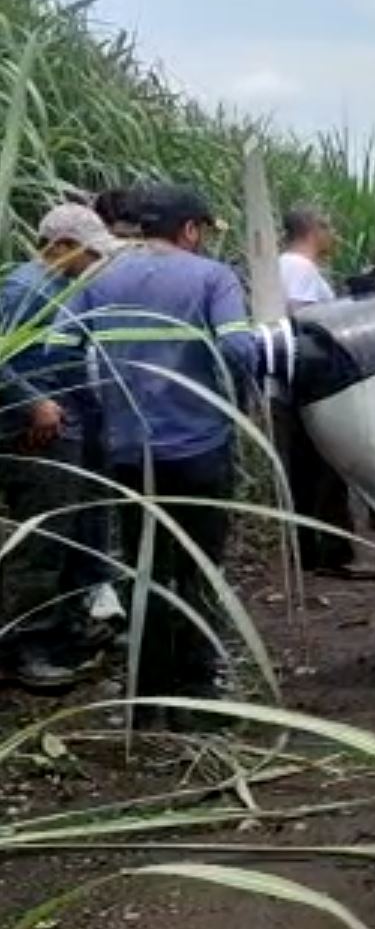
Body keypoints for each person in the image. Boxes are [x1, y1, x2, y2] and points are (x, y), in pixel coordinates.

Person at [50, 185, 259, 703]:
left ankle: (144, 691)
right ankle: (195, 691)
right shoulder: (213, 277)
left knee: (142, 566)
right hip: (199, 448)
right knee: (198, 567)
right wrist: (230, 399)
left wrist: (99, 415)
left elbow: (58, 350)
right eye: (202, 231)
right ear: (189, 229)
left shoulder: (100, 277)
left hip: (126, 451)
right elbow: (236, 346)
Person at [0, 204, 123, 689]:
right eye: (90, 254)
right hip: (34, 433)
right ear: (62, 246)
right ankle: (22, 648)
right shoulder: (25, 288)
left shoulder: (62, 289)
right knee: (42, 540)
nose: (96, 263)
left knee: (71, 531)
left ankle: (64, 629)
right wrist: (33, 405)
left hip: (67, 427)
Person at [275, 206, 375, 580]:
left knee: (306, 472)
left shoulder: (286, 266)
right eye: (329, 227)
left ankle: (312, 553)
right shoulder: (299, 269)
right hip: (309, 384)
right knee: (323, 471)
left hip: (295, 383)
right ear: (314, 230)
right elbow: (307, 323)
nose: (333, 235)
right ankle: (333, 554)